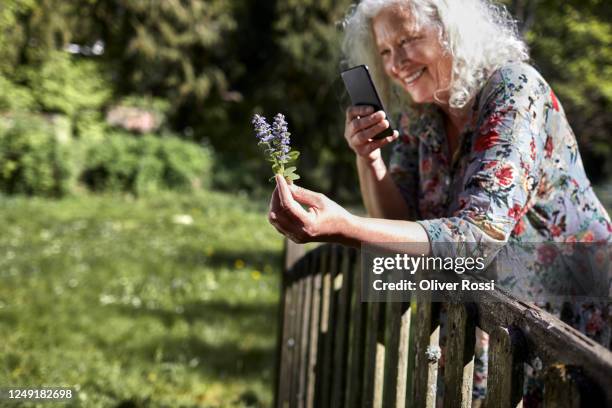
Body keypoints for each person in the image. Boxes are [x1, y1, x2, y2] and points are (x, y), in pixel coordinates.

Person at [267, 0, 611, 405]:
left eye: (409, 40)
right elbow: (400, 223)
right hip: (503, 322)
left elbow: (478, 236)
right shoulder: (421, 112)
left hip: (574, 325)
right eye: (384, 51)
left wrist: (344, 227)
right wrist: (369, 157)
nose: (396, 63)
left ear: (454, 32)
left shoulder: (514, 90)